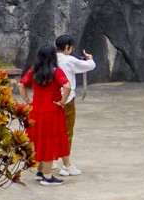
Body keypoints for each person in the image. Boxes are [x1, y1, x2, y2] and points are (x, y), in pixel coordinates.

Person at [16, 43, 72, 185]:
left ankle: (40, 171)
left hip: (36, 111)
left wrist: (27, 100)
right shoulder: (56, 72)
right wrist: (62, 102)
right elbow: (67, 86)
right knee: (49, 142)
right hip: (52, 111)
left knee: (39, 140)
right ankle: (47, 176)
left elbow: (21, 84)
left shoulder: (34, 70)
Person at [54, 34, 96, 177]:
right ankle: (66, 166)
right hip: (66, 100)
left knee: (52, 131)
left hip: (51, 100)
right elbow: (90, 66)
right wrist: (89, 59)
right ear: (67, 47)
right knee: (67, 133)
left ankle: (49, 159)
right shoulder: (69, 60)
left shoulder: (50, 59)